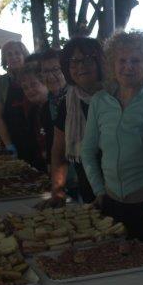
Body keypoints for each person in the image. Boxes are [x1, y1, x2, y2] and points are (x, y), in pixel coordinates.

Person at [81, 30, 143, 253]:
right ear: (112, 65)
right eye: (122, 61)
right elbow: (87, 151)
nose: (128, 67)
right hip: (110, 203)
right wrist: (99, 190)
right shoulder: (99, 101)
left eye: (136, 61)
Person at [43, 38, 104, 207]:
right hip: (88, 190)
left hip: (124, 191)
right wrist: (58, 191)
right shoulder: (68, 103)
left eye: (88, 59)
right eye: (74, 61)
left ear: (100, 62)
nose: (81, 66)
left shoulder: (117, 96)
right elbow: (59, 150)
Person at [0, 41, 31, 159]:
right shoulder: (0, 82)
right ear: (5, 59)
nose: (14, 57)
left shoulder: (34, 76)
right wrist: (8, 144)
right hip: (13, 137)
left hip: (37, 136)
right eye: (9, 54)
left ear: (24, 55)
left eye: (17, 53)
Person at [38, 49, 67, 171]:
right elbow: (50, 140)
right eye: (46, 71)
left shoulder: (76, 99)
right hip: (59, 172)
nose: (50, 76)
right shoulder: (45, 108)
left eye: (56, 69)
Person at [16, 63, 49, 172]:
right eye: (25, 88)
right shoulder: (32, 112)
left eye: (34, 84)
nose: (30, 90)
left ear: (45, 83)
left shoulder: (57, 108)